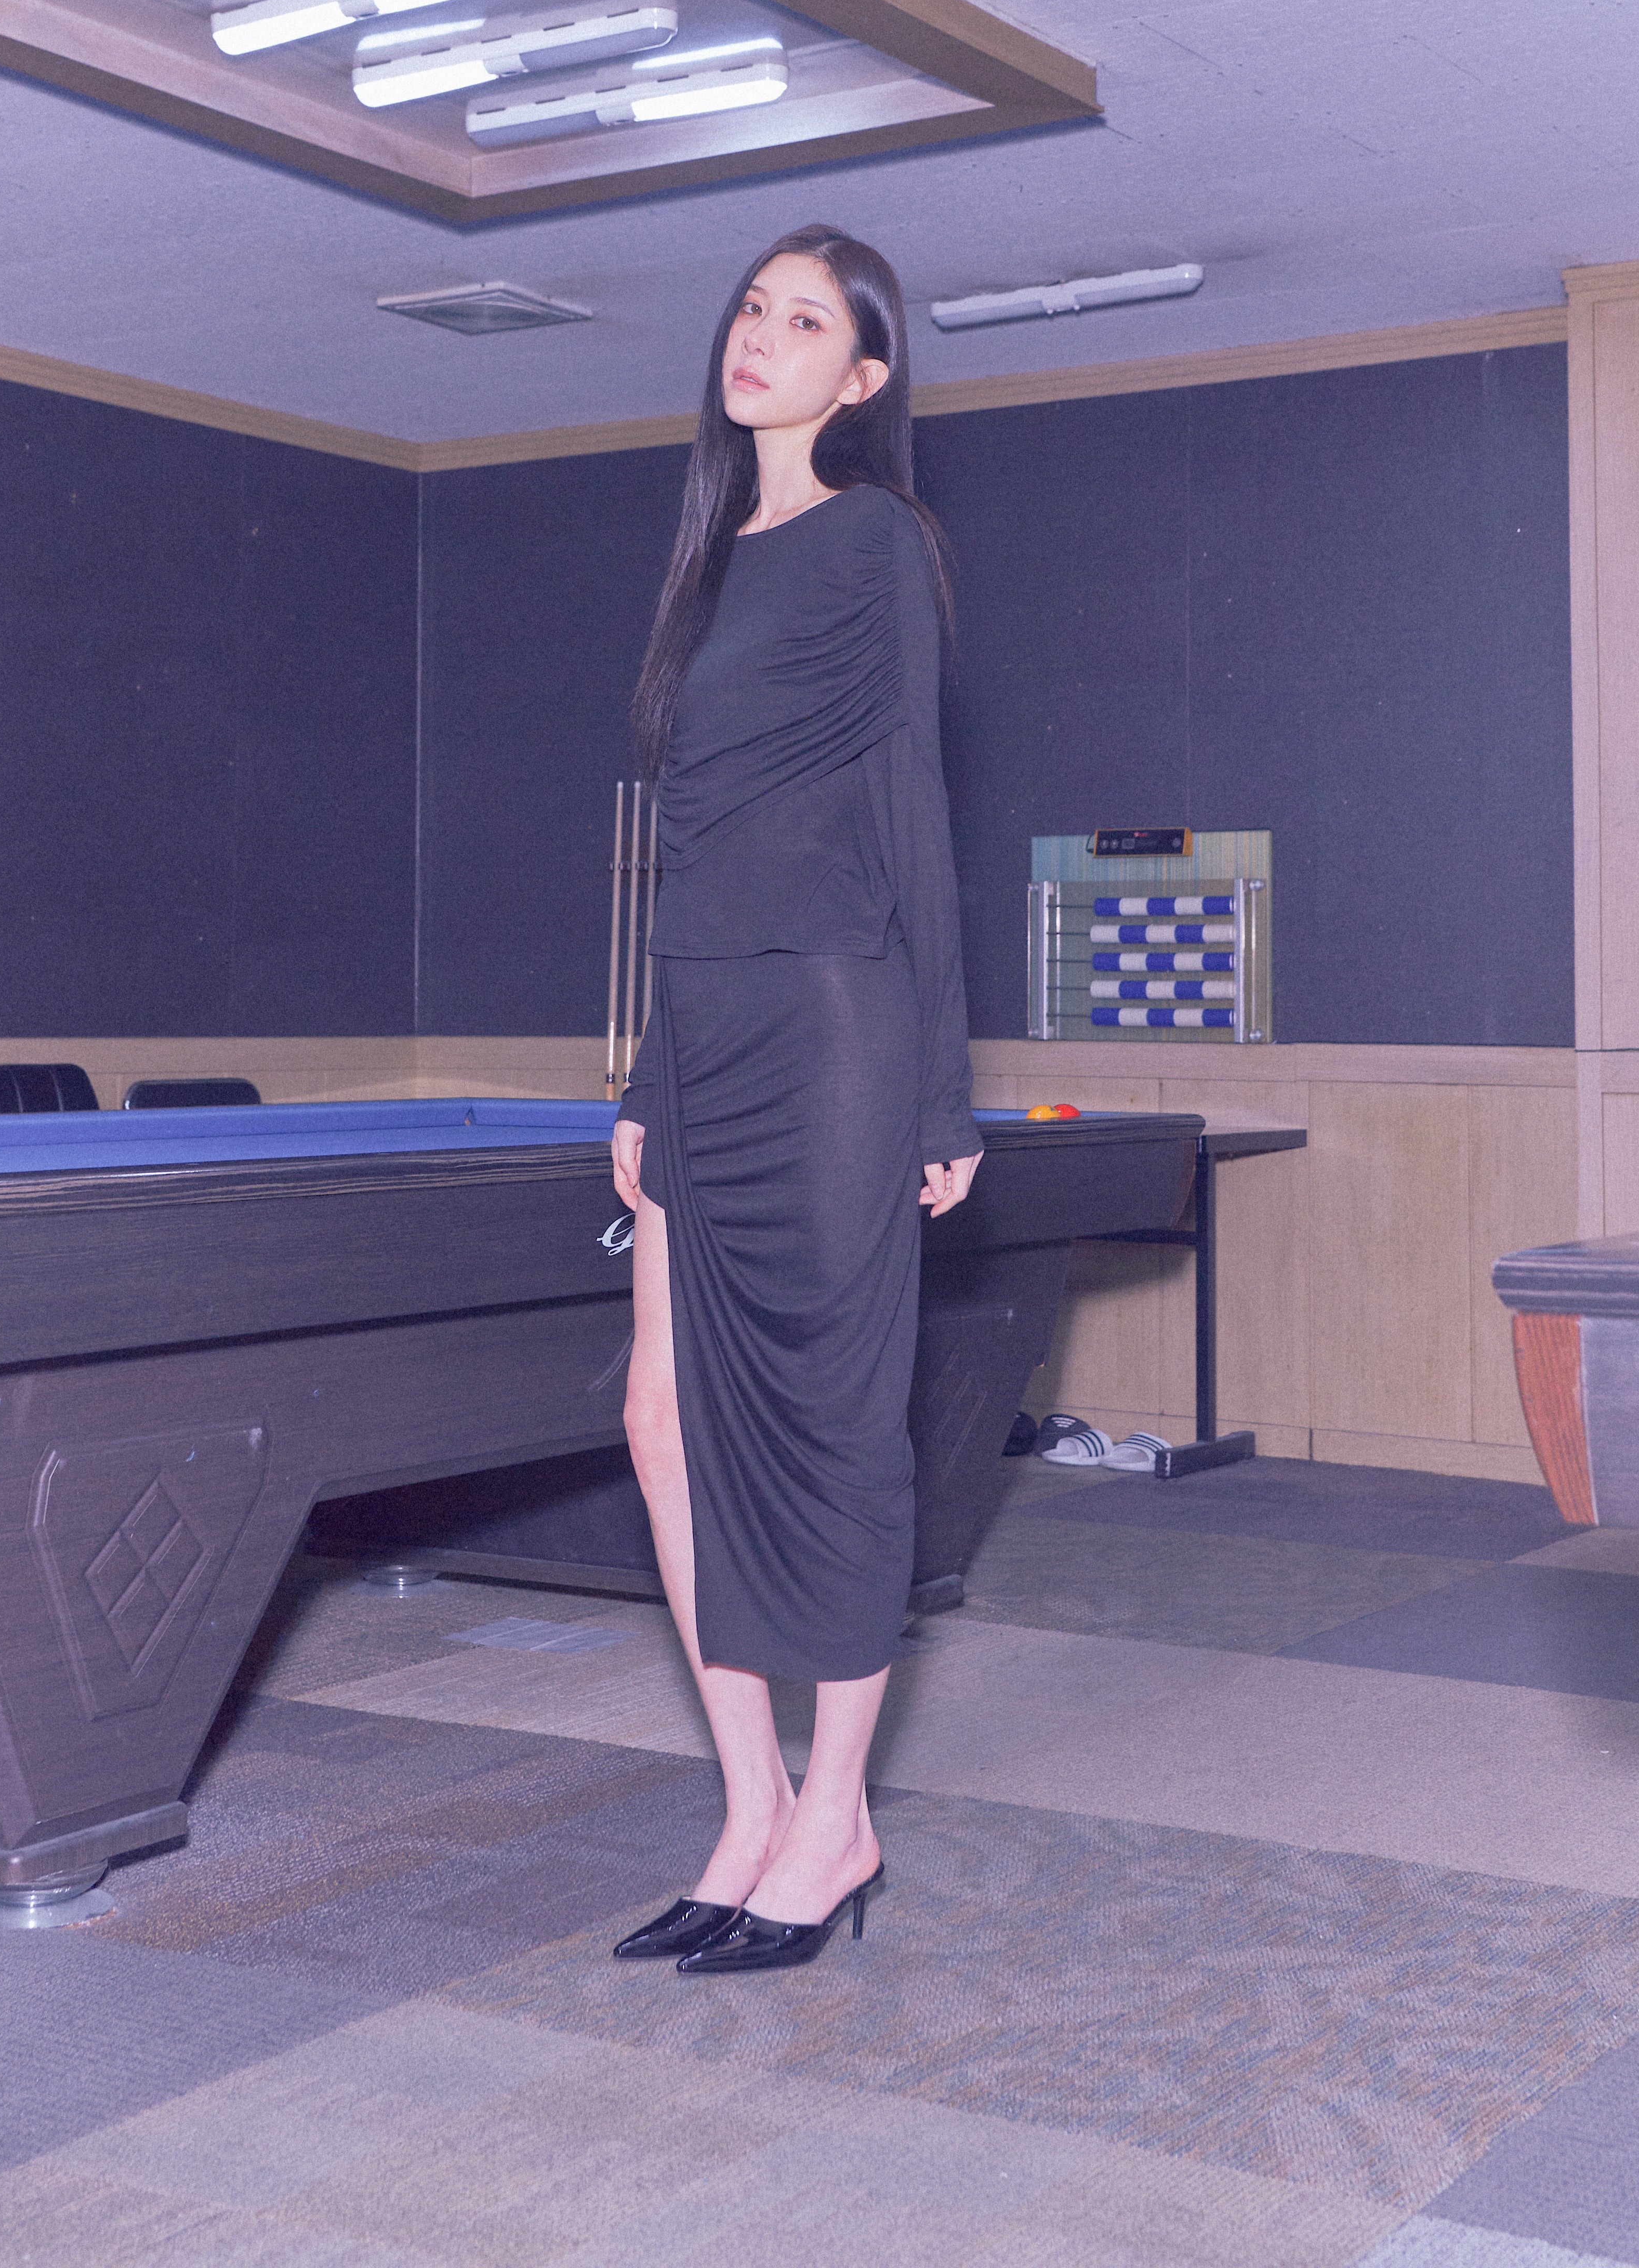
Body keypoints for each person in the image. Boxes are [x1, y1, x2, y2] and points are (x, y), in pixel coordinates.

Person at [607, 221, 983, 1978]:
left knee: (834, 1427)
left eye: (805, 320)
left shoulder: (876, 543)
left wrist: (944, 1094)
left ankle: (838, 1820)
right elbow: (687, 845)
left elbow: (913, 802)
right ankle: (750, 1807)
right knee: (660, 1419)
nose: (758, 336)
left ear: (865, 373)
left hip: (836, 1033)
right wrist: (645, 1070)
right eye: (752, 307)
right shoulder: (710, 557)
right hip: (703, 1038)